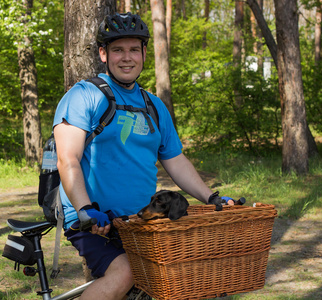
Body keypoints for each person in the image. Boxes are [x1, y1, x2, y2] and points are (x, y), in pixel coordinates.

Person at [53, 12, 222, 300]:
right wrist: (85, 209)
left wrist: (212, 198)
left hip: (142, 221)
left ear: (144, 53)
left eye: (134, 49)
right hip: (95, 219)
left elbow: (176, 161)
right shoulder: (84, 96)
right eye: (118, 50)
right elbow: (67, 160)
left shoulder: (153, 106)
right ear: (104, 54)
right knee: (128, 272)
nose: (126, 58)